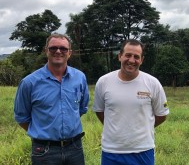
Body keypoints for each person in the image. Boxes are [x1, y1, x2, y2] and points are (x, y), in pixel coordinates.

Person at [14, 33, 89, 165]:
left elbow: (81, 108)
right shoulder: (29, 83)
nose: (58, 51)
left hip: (75, 148)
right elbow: (22, 117)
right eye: (53, 48)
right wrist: (43, 132)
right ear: (46, 51)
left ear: (69, 53)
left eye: (63, 48)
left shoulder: (80, 78)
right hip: (44, 151)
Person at [92, 39, 169, 165]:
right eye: (128, 55)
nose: (131, 60)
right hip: (111, 151)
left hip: (143, 151)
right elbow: (100, 111)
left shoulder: (153, 83)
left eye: (136, 57)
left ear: (142, 60)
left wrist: (142, 128)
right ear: (120, 56)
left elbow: (161, 115)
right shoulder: (103, 82)